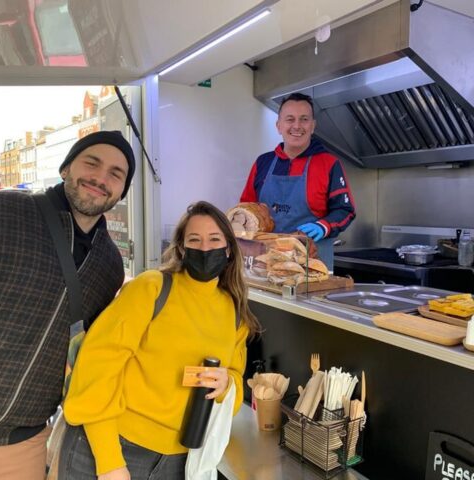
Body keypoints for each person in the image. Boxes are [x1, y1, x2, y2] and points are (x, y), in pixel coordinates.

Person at [58, 201, 261, 480]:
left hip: (180, 461)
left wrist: (227, 384)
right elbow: (96, 367)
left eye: (214, 240)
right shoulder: (151, 288)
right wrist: (108, 460)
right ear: (181, 248)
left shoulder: (235, 313)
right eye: (194, 240)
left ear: (228, 250)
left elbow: (235, 383)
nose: (204, 248)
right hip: (115, 446)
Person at [0, 130, 136, 480]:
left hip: (22, 440)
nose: (101, 178)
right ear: (65, 168)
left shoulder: (109, 265)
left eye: (116, 174)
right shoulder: (5, 211)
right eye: (92, 163)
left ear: (120, 193)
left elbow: (93, 352)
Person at [240, 92, 356, 270]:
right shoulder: (263, 163)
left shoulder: (329, 163)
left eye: (304, 119)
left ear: (313, 126)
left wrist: (322, 226)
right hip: (266, 266)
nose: (297, 126)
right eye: (290, 119)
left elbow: (345, 210)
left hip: (314, 269)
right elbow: (247, 209)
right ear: (279, 126)